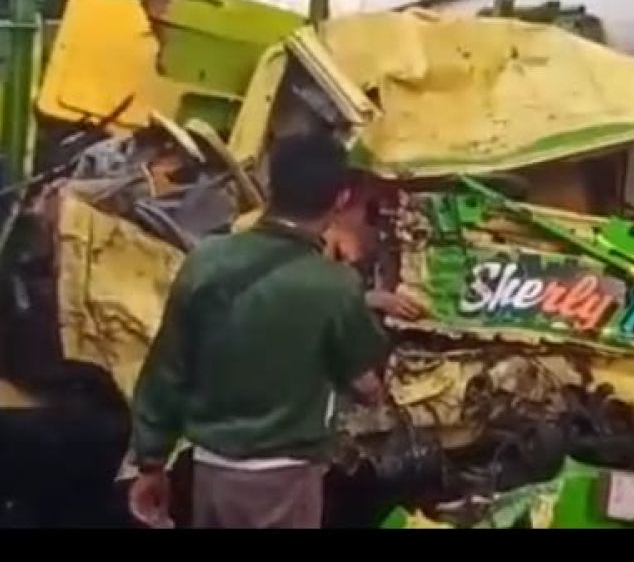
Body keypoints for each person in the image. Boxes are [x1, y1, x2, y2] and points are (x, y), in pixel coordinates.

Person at [127, 132, 426, 529]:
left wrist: (150, 464)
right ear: (340, 200)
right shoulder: (334, 285)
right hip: (284, 481)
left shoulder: (205, 261)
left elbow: (164, 372)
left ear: (269, 184)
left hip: (211, 473)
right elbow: (365, 382)